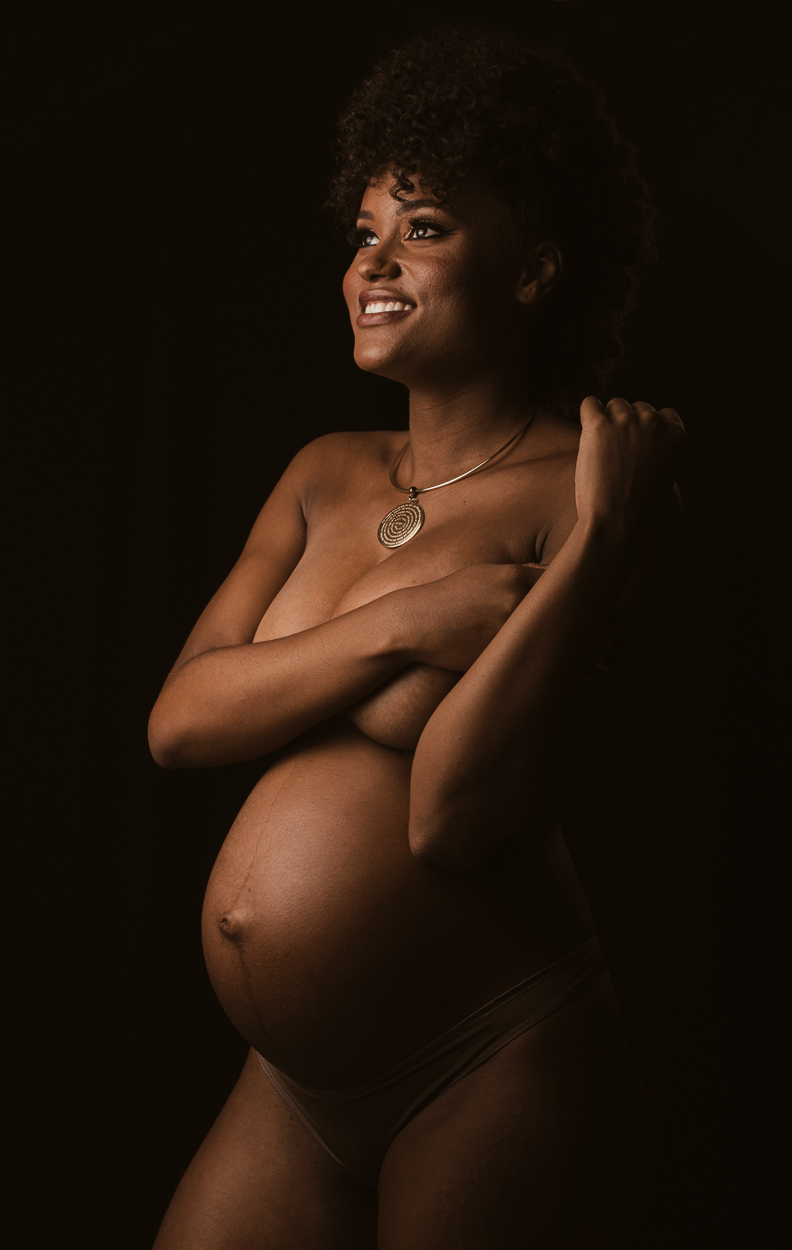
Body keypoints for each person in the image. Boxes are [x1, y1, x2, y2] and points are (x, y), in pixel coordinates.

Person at [148, 26, 684, 1249]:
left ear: (537, 269)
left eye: (424, 228)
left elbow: (452, 810)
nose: (373, 262)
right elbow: (179, 722)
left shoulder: (585, 493)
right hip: (293, 1087)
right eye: (365, 231)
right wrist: (410, 621)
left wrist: (600, 542)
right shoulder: (323, 473)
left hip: (487, 1062)